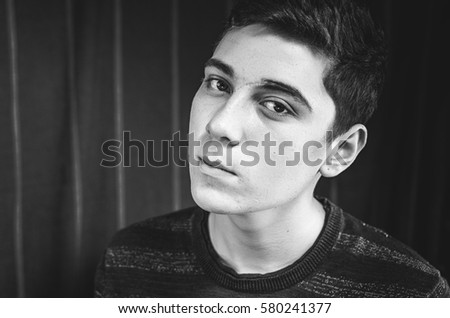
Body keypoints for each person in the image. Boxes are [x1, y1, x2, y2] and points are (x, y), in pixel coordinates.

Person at [95, 0, 449, 297]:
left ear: (339, 151)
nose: (220, 125)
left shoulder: (409, 293)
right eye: (218, 83)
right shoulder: (129, 261)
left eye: (277, 106)